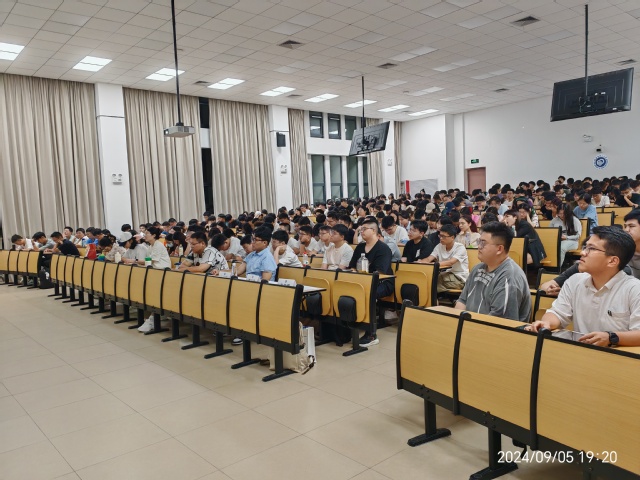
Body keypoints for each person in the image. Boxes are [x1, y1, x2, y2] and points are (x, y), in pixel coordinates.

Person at [527, 227, 640, 346]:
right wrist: (547, 323)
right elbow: (558, 313)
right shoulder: (575, 281)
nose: (582, 252)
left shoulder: (634, 289)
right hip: (580, 352)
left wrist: (611, 337)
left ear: (612, 261)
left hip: (618, 354)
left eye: (592, 248)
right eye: (585, 247)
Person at [455, 222, 531, 322]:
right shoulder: (477, 268)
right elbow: (462, 301)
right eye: (479, 242)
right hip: (469, 327)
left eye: (483, 243)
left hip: (493, 329)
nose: (479, 246)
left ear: (499, 249)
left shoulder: (509, 277)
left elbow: (499, 322)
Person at [347, 219, 394, 347]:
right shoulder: (360, 247)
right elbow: (352, 267)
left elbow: (380, 273)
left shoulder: (383, 248)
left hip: (383, 283)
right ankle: (349, 327)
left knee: (367, 295)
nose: (361, 231)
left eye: (364, 229)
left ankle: (371, 334)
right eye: (360, 229)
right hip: (362, 282)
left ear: (373, 231)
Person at [421, 224, 469, 292]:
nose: (441, 238)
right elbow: (429, 259)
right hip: (445, 276)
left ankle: (434, 297)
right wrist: (420, 263)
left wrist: (434, 264)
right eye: (440, 235)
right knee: (427, 279)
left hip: (459, 278)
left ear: (452, 237)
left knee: (433, 282)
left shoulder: (460, 247)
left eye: (443, 236)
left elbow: (450, 262)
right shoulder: (439, 246)